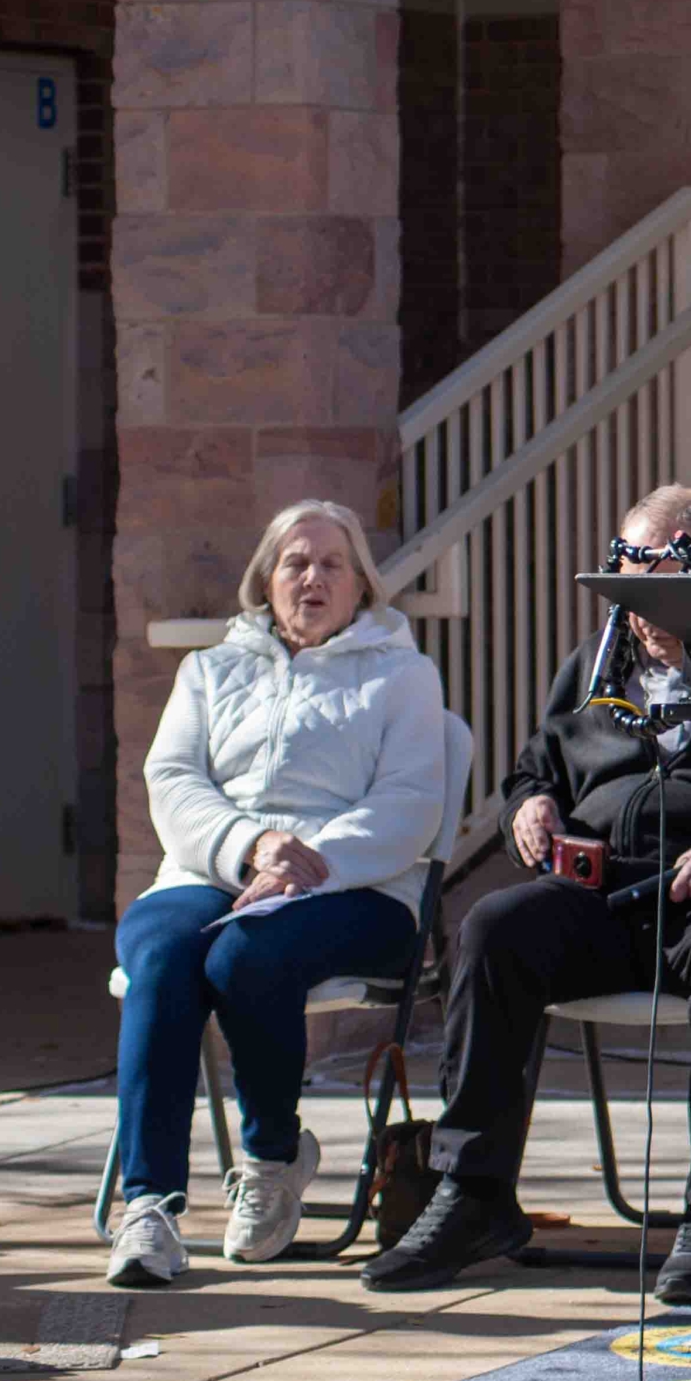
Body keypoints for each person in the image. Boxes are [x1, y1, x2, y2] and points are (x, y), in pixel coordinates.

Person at [361, 484, 691, 1299]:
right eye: (627, 575)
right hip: (604, 903)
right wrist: (528, 807)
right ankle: (472, 1193)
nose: (637, 602)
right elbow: (538, 769)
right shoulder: (596, 665)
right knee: (493, 927)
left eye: (657, 575)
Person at [109, 501, 448, 1288]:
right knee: (161, 952)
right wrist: (249, 847)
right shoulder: (211, 669)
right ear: (265, 579)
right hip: (212, 871)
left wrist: (303, 861)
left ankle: (269, 1158)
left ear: (362, 583)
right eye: (296, 563)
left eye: (333, 563)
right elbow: (172, 780)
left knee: (245, 955)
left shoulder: (403, 674)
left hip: (358, 889)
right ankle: (149, 1207)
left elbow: (409, 805)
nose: (313, 578)